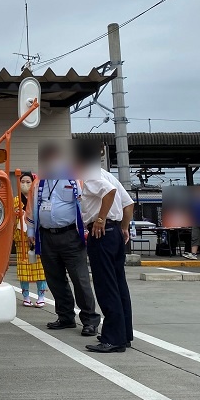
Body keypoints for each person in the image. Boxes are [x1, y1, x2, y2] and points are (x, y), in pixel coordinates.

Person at [26, 142, 100, 337]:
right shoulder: (38, 182)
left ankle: (90, 320)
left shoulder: (76, 178)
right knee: (55, 279)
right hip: (46, 236)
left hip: (71, 236)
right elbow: (31, 209)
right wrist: (31, 234)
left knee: (80, 279)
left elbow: (88, 203)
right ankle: (65, 316)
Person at [75, 141, 134, 353]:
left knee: (106, 286)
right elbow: (128, 203)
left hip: (101, 232)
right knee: (119, 285)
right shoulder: (106, 174)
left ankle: (113, 339)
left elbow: (108, 193)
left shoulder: (90, 174)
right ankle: (124, 333)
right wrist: (124, 228)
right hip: (115, 232)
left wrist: (100, 219)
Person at [13, 171, 48, 307]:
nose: (25, 184)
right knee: (24, 269)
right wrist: (16, 214)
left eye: (28, 182)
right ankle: (26, 296)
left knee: (40, 269)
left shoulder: (39, 198)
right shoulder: (15, 200)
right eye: (22, 182)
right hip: (21, 238)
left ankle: (41, 296)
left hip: (37, 238)